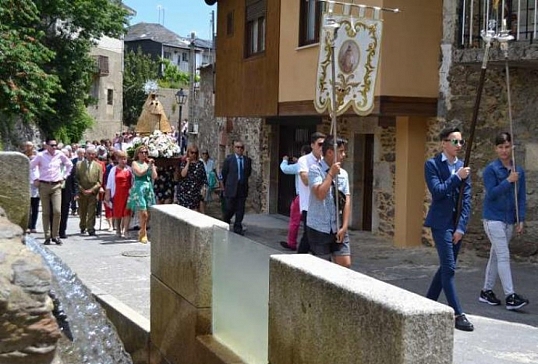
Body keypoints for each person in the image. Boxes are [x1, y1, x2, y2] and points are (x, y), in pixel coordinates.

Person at [424, 126, 473, 332]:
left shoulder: (463, 167)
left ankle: (426, 304)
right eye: (455, 141)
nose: (459, 145)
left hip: (456, 225)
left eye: (461, 142)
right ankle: (458, 314)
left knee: (446, 267)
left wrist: (461, 227)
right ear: (444, 143)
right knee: (450, 268)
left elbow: (468, 200)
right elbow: (438, 192)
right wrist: (457, 177)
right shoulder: (432, 165)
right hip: (440, 223)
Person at [479, 132, 529, 310]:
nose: (504, 151)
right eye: (500, 147)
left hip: (508, 219)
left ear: (512, 147)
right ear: (496, 149)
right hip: (493, 218)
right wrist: (508, 180)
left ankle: (486, 291)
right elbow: (491, 194)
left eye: (507, 147)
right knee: (503, 255)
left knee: (495, 256)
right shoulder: (491, 170)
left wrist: (520, 219)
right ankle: (510, 296)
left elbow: (521, 197)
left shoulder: (519, 170)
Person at [306, 136, 351, 267]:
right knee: (323, 267)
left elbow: (347, 199)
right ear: (330, 152)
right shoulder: (315, 170)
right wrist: (330, 174)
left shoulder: (343, 174)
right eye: (341, 151)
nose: (344, 155)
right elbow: (320, 194)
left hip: (337, 226)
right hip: (319, 227)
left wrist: (345, 226)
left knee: (345, 264)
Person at [30, 138, 73, 245]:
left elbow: (69, 165)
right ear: (47, 146)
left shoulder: (59, 154)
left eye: (55, 145)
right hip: (44, 185)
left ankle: (55, 235)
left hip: (56, 185)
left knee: (57, 211)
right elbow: (31, 167)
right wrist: (35, 178)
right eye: (52, 145)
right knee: (46, 212)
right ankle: (47, 236)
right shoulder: (40, 155)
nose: (54, 147)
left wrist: (64, 176)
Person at [296, 132, 326, 253]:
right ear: (312, 145)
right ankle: (299, 258)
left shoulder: (325, 161)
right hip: (308, 205)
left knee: (317, 236)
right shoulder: (304, 160)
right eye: (319, 144)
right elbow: (305, 180)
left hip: (322, 204)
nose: (322, 147)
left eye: (324, 145)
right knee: (309, 235)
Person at [279, 144, 312, 251]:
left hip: (301, 197)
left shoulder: (300, 165)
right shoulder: (313, 163)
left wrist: (284, 160)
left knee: (294, 220)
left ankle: (292, 242)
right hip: (312, 196)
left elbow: (285, 169)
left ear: (303, 153)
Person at [127, 145, 157, 243]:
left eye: (146, 152)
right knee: (143, 212)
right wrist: (148, 166)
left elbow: (154, 176)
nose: (144, 154)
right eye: (142, 152)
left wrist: (152, 166)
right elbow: (139, 173)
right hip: (139, 188)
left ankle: (142, 231)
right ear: (138, 154)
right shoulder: (134, 163)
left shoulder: (148, 163)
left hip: (148, 188)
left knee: (147, 213)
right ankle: (143, 233)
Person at [221, 140, 252, 235]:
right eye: (237, 147)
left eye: (241, 147)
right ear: (234, 148)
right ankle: (225, 220)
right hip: (231, 187)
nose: (239, 149)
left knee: (240, 208)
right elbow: (224, 174)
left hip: (242, 187)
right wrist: (224, 187)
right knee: (229, 207)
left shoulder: (247, 160)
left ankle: (238, 227)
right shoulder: (229, 160)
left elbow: (248, 173)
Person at [75, 146, 103, 237]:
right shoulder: (79, 165)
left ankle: (91, 228)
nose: (91, 156)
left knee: (92, 211)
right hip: (82, 192)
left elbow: (99, 181)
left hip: (93, 193)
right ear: (85, 154)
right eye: (89, 154)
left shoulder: (99, 166)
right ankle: (83, 226)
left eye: (93, 154)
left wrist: (92, 190)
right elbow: (76, 179)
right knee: (82, 211)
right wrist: (82, 190)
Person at [105, 151, 133, 239]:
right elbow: (109, 183)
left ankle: (126, 230)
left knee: (127, 211)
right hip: (117, 193)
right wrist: (108, 194)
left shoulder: (129, 169)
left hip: (127, 193)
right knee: (118, 212)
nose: (123, 161)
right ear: (118, 159)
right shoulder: (113, 170)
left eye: (125, 159)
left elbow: (132, 181)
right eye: (121, 159)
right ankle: (118, 229)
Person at [175, 144, 207, 211]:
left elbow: (204, 177)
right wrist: (188, 163)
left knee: (195, 211)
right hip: (185, 191)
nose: (193, 154)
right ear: (188, 153)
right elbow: (183, 174)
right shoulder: (184, 162)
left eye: (195, 153)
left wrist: (204, 188)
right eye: (192, 152)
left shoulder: (200, 163)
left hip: (195, 191)